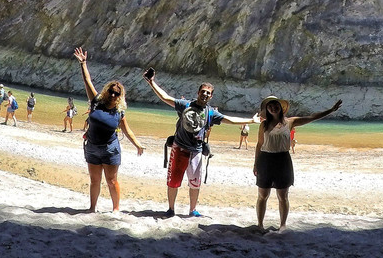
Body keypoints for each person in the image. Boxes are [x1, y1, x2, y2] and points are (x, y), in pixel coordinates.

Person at [144, 70, 259, 218]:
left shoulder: (211, 113)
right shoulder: (185, 105)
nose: (205, 94)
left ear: (211, 96)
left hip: (196, 151)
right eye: (203, 91)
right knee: (173, 181)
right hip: (179, 148)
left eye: (208, 93)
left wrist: (250, 121)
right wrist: (151, 82)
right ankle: (171, 209)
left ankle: (193, 210)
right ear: (198, 92)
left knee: (195, 183)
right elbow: (165, 97)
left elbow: (230, 120)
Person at [254, 95, 342, 232]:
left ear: (281, 107)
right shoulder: (263, 125)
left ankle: (282, 225)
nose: (273, 107)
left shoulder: (290, 122)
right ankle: (260, 225)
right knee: (262, 195)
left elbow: (312, 117)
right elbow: (259, 145)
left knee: (283, 196)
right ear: (267, 109)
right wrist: (255, 164)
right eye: (269, 106)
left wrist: (330, 110)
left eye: (275, 105)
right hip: (265, 160)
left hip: (283, 160)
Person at [72, 48, 144, 212]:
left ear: (120, 96)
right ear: (107, 91)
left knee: (112, 181)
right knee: (94, 180)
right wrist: (83, 63)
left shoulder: (119, 112)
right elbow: (87, 81)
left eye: (116, 93)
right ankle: (92, 208)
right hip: (92, 147)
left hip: (110, 149)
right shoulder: (96, 101)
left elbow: (127, 131)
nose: (112, 95)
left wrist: (138, 145)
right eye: (111, 91)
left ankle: (116, 209)